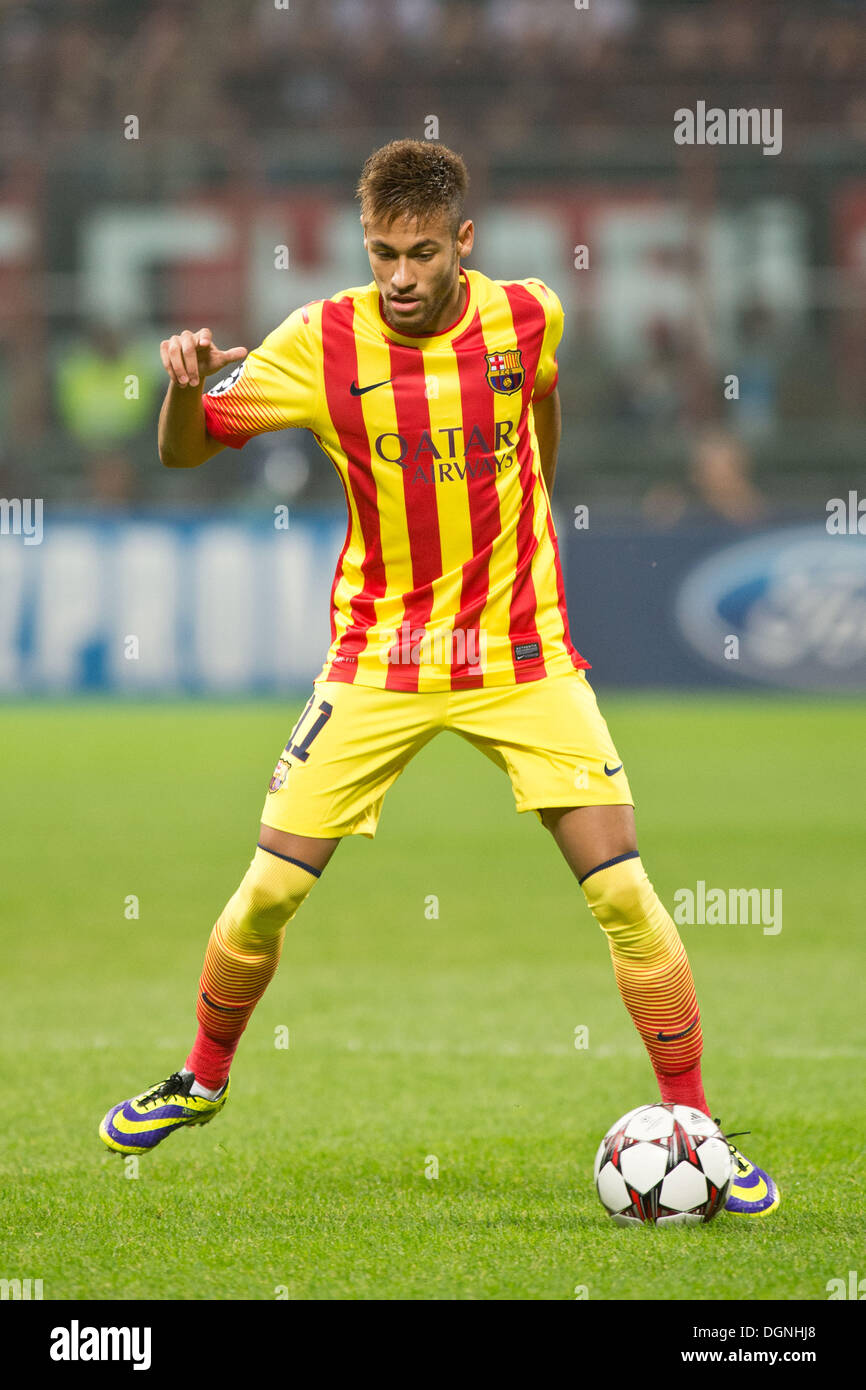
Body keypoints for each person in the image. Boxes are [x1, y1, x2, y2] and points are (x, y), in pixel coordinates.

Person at [99, 140, 778, 1219]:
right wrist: (182, 390)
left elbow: (540, 392)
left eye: (420, 253)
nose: (400, 277)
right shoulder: (319, 341)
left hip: (520, 653)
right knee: (269, 890)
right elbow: (187, 453)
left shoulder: (525, 314)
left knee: (623, 893)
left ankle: (693, 1126)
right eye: (381, 255)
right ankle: (201, 1077)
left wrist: (537, 502)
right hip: (381, 658)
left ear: (463, 241)